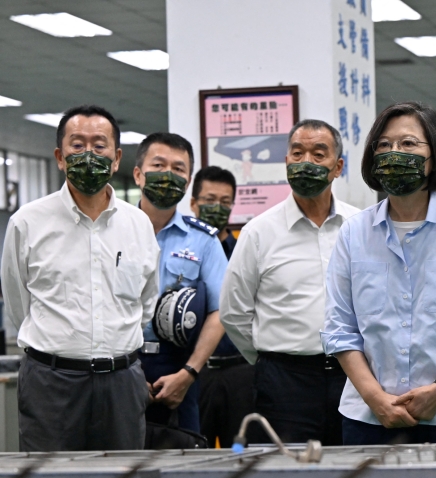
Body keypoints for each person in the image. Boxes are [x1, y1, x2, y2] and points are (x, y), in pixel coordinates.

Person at [323, 101, 436, 444]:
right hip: (370, 418)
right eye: (384, 145)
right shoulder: (354, 232)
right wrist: (375, 399)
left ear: (434, 154)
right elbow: (339, 329)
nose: (394, 153)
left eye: (408, 144)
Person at [1, 105, 158, 451]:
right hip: (51, 384)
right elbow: (18, 303)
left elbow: (146, 302)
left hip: (123, 383)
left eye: (99, 146)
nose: (89, 154)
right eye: (77, 145)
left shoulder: (138, 224)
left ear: (117, 158)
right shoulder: (27, 223)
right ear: (59, 156)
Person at [220, 120, 360, 446]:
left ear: (337, 167)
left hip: (354, 377)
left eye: (318, 154)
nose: (306, 162)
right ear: (286, 163)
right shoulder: (259, 231)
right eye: (297, 153)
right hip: (284, 382)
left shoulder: (360, 226)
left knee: (354, 472)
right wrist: (270, 360)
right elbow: (234, 311)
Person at [134, 133, 228, 433]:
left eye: (178, 169)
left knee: (183, 463)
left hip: (177, 366)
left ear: (188, 182)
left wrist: (189, 373)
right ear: (138, 174)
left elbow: (220, 310)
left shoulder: (203, 240)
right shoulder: (113, 229)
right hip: (119, 365)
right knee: (118, 465)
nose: (168, 175)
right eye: (159, 165)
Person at [190, 166, 254, 447]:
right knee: (194, 448)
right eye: (209, 200)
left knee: (240, 452)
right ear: (193, 203)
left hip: (240, 372)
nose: (218, 208)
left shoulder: (244, 251)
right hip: (196, 373)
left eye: (225, 202)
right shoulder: (185, 253)